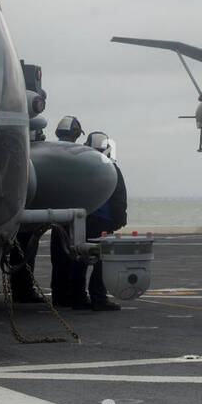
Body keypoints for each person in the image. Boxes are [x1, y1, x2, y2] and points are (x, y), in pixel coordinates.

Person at [46, 116, 89, 306]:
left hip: (57, 214)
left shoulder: (50, 152)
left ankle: (60, 295)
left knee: (59, 257)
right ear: (76, 134)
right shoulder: (76, 154)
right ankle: (72, 295)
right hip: (72, 216)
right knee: (74, 257)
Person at [83, 131, 128, 312]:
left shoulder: (82, 168)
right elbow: (118, 198)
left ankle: (75, 296)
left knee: (78, 260)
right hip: (102, 222)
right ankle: (98, 298)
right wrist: (118, 220)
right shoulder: (110, 168)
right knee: (102, 261)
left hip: (83, 219)